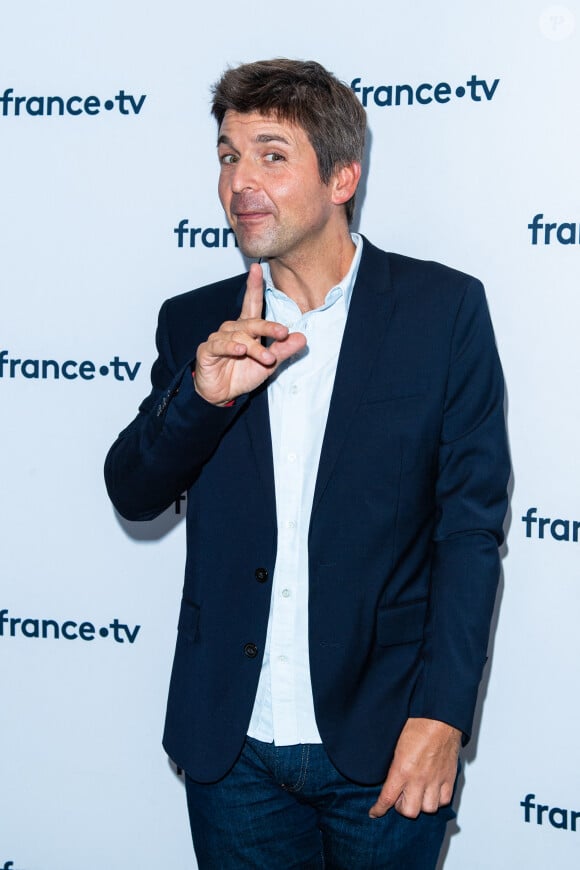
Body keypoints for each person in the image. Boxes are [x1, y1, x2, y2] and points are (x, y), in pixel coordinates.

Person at [105, 58, 510, 869]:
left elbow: (468, 531)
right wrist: (203, 395)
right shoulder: (195, 321)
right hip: (232, 748)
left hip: (385, 738)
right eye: (227, 156)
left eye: (270, 154)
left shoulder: (442, 310)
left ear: (342, 179)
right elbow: (135, 490)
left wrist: (444, 717)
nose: (239, 182)